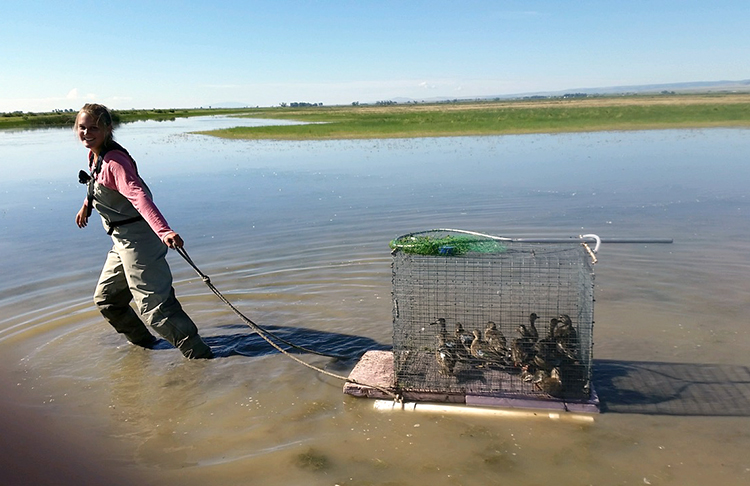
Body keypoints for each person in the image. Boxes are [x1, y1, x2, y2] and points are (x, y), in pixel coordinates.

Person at [74, 103, 212, 359]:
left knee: (156, 311)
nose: (86, 132)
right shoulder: (95, 155)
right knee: (107, 300)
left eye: (93, 127)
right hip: (121, 242)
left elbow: (138, 196)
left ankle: (203, 359)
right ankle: (147, 348)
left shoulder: (115, 162)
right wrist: (86, 206)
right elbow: (99, 185)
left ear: (108, 128)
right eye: (82, 127)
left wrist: (164, 231)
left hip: (141, 241)